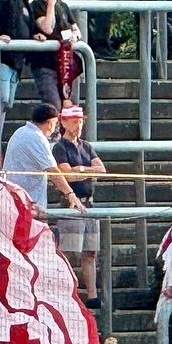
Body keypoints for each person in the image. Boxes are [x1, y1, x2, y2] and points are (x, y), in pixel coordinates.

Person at [52, 105, 105, 307]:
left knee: (90, 251)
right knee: (70, 250)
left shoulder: (86, 146)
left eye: (80, 121)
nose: (78, 125)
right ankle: (68, 292)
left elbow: (101, 169)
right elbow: (68, 175)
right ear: (64, 123)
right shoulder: (60, 148)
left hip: (88, 203)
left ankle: (92, 295)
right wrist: (88, 170)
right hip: (71, 204)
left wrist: (81, 169)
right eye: (74, 121)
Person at [1, 103, 85, 215]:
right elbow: (53, 171)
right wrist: (70, 193)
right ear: (50, 123)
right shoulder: (37, 138)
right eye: (55, 123)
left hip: (14, 198)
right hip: (28, 203)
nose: (55, 127)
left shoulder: (20, 131)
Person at [29, 0, 79, 109]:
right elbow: (47, 28)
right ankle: (53, 131)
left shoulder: (63, 5)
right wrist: (50, 4)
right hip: (45, 63)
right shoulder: (36, 5)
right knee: (53, 105)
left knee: (68, 106)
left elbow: (75, 27)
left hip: (65, 63)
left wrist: (74, 36)